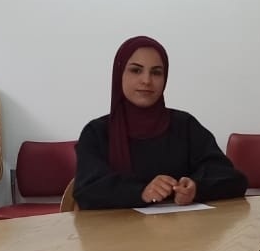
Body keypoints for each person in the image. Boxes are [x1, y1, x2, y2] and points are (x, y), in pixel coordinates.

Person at [74, 36, 247, 209]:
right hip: (115, 226)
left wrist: (196, 187)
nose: (146, 80)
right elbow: (87, 191)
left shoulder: (185, 126)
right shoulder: (97, 133)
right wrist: (141, 192)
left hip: (183, 225)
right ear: (119, 74)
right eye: (136, 70)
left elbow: (232, 178)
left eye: (156, 72)